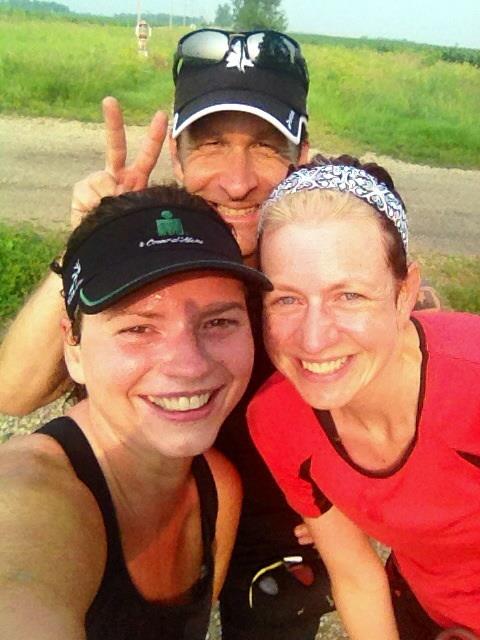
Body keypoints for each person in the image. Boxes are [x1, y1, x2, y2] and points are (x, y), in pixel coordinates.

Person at [0, 30, 336, 639]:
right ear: (178, 158)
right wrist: (93, 241)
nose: (238, 181)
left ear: (302, 155)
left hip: (261, 524)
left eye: (265, 147)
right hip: (134, 505)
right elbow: (13, 393)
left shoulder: (324, 264)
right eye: (211, 145)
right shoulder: (143, 246)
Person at [0, 184, 278, 638]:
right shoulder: (32, 495)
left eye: (219, 321)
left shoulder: (218, 488)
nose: (189, 365)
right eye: (138, 328)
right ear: (73, 347)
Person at [247, 156, 480, 639]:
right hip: (424, 611)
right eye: (286, 299)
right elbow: (355, 576)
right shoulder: (277, 419)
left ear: (404, 294)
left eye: (349, 296)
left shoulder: (472, 386)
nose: (313, 340)